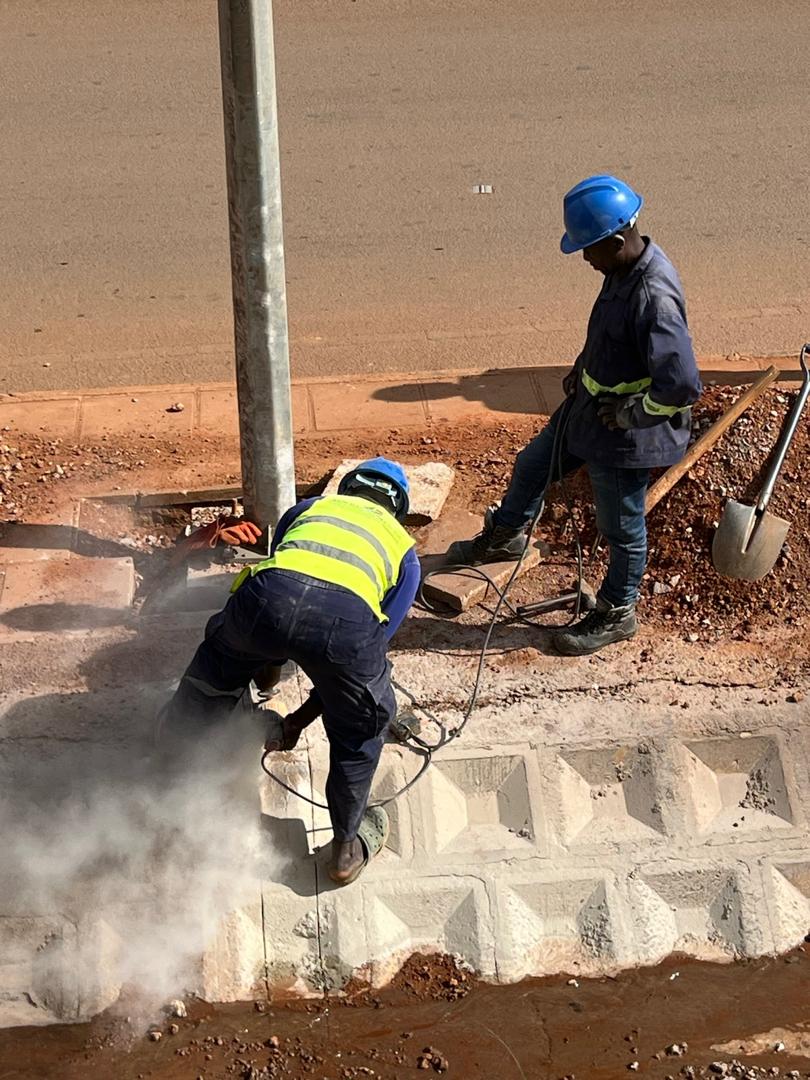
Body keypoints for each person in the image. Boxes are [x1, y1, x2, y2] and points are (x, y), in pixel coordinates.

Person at [451, 174, 702, 655]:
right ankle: (506, 537)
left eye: (589, 250)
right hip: (589, 409)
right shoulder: (622, 268)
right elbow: (613, 335)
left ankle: (617, 611)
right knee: (531, 465)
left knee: (621, 528)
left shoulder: (653, 295)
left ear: (615, 241)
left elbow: (682, 383)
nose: (585, 259)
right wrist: (584, 367)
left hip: (622, 432)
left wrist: (632, 414)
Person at [160, 457, 420, 886]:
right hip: (345, 629)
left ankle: (172, 749)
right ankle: (345, 850)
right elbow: (361, 656)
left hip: (263, 606)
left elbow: (288, 577)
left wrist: (270, 667)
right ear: (398, 509)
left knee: (221, 653)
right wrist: (297, 722)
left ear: (348, 490)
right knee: (361, 725)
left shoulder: (308, 509)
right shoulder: (404, 554)